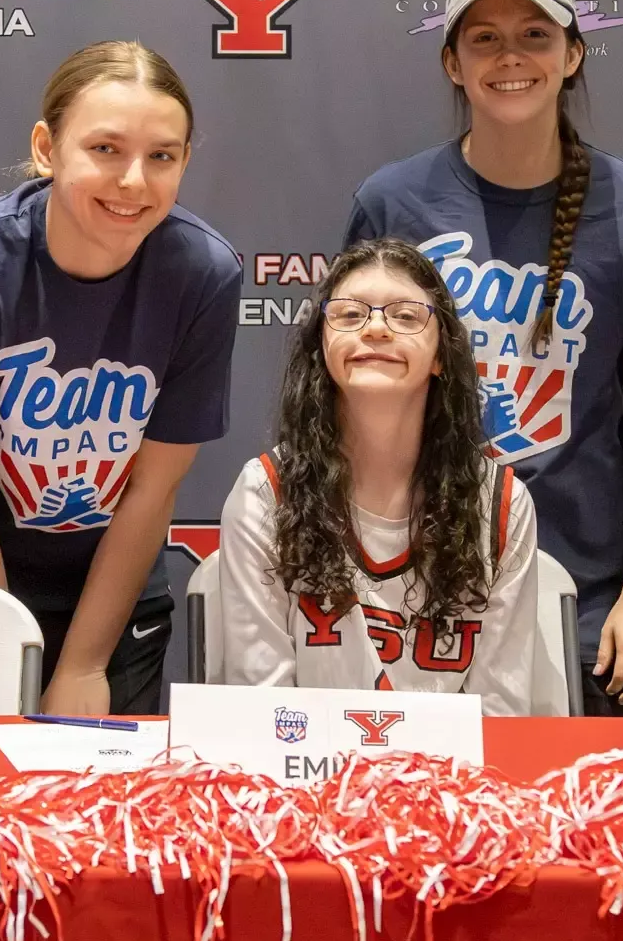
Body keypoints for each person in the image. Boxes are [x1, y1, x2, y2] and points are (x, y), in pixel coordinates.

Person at [344, 0, 623, 714]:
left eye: (535, 35)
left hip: (581, 592)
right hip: (410, 583)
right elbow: (349, 394)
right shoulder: (394, 201)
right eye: (485, 37)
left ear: (573, 54)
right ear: (452, 62)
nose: (511, 57)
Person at [0, 41, 242, 716]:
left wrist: (81, 665)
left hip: (109, 602)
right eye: (105, 149)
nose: (133, 180)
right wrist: (5, 663)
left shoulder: (202, 274)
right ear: (47, 148)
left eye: (162, 156)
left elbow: (151, 490)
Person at [217, 240, 540, 711]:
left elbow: (500, 714)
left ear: (439, 357)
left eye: (406, 317)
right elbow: (262, 706)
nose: (376, 329)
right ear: (321, 350)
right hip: (306, 776)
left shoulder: (502, 504)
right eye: (349, 315)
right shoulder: (266, 492)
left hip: (447, 779)